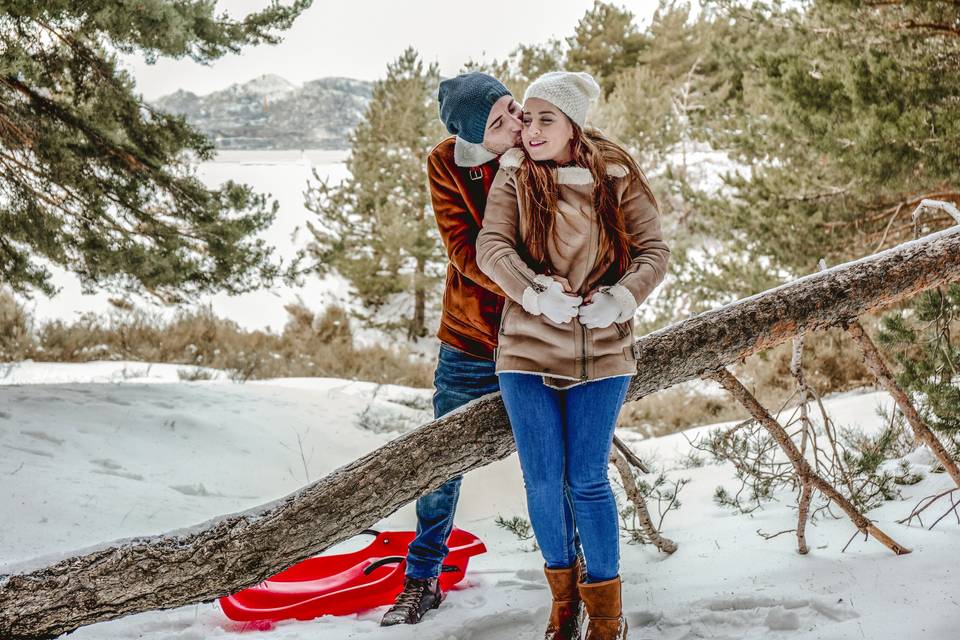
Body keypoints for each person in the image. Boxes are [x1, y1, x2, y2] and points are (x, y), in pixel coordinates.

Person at [476, 70, 670, 640]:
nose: (530, 131)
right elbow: (491, 246)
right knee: (542, 479)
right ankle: (564, 605)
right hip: (528, 345)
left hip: (601, 346)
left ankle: (607, 617)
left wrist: (620, 298)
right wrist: (533, 290)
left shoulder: (616, 172)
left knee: (586, 478)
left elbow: (654, 250)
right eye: (526, 118)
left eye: (545, 119)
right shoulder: (514, 175)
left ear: (572, 124)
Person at [380, 71, 532, 626]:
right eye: (498, 123)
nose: (516, 123)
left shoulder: (537, 142)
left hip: (540, 340)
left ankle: (578, 572)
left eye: (513, 108)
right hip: (470, 341)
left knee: (556, 462)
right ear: (473, 135)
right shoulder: (448, 163)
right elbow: (466, 252)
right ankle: (422, 580)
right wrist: (529, 289)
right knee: (440, 468)